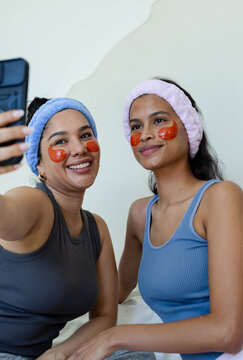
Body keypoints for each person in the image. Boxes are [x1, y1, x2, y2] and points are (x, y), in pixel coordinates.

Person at [68, 78, 243, 360]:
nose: (146, 134)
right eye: (136, 126)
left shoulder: (220, 198)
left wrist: (113, 338)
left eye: (158, 120)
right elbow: (118, 293)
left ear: (188, 127)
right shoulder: (140, 215)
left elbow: (228, 333)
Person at [0, 98, 118, 360]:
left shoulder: (96, 228)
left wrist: (59, 353)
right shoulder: (35, 203)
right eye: (60, 141)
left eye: (85, 135)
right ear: (38, 163)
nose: (78, 148)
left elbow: (105, 316)